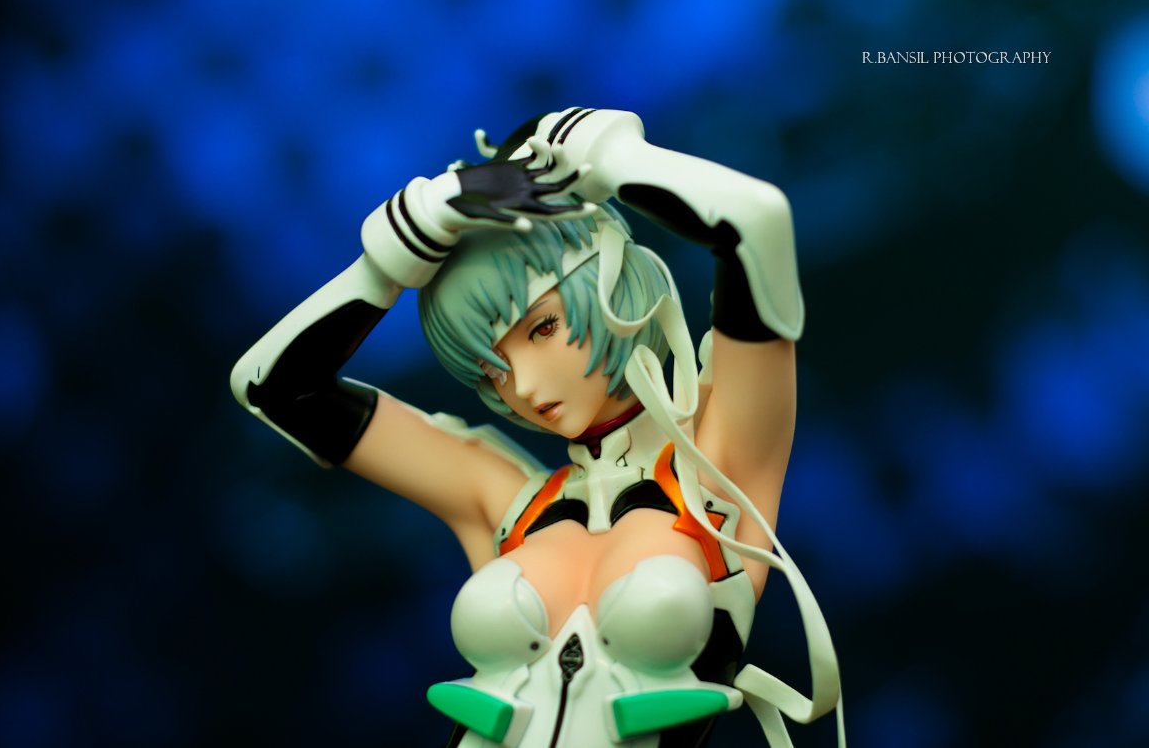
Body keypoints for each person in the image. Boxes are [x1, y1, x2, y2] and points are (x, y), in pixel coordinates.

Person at [230, 108, 843, 747]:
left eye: (543, 327)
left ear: (610, 282)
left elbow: (754, 224)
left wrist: (606, 156)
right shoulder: (503, 502)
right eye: (490, 368)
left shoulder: (719, 468)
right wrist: (398, 251)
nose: (520, 385)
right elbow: (275, 389)